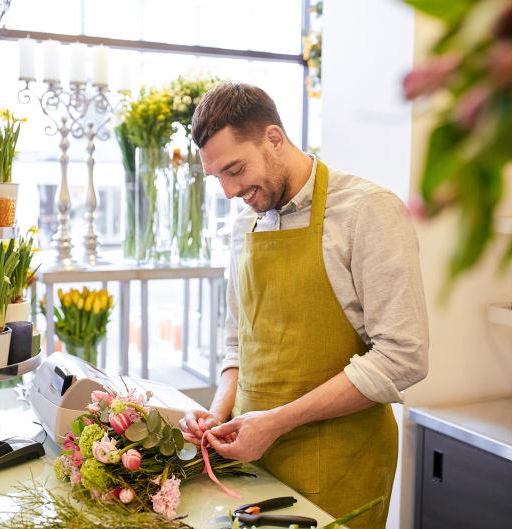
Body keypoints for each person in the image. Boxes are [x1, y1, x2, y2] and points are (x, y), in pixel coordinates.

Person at [179, 83, 429, 529]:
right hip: (249, 467)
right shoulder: (243, 225)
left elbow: (403, 356)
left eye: (235, 169)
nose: (229, 190)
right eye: (216, 176)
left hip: (339, 465)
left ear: (274, 139)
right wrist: (218, 411)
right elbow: (239, 343)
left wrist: (276, 422)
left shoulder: (367, 211)